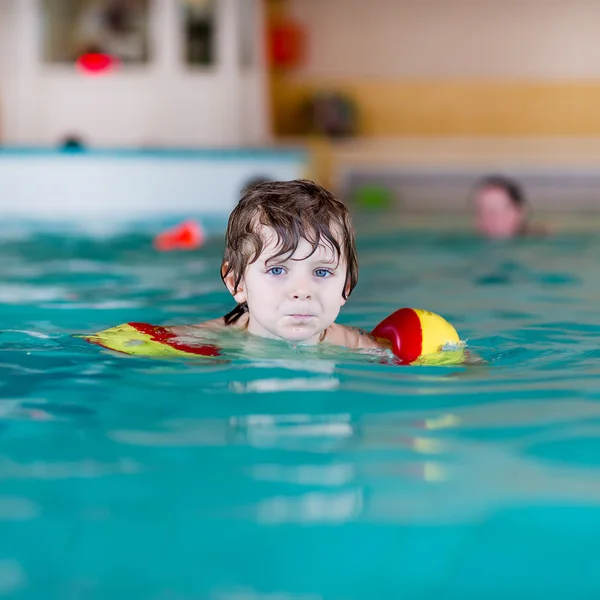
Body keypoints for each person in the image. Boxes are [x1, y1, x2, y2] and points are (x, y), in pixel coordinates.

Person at [168, 179, 386, 351]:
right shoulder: (202, 340)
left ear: (345, 287)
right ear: (237, 283)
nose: (302, 292)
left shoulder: (362, 347)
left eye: (321, 272)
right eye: (277, 269)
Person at [472, 174, 544, 239]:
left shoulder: (539, 243)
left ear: (520, 212)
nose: (490, 218)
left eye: (499, 210)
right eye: (483, 211)